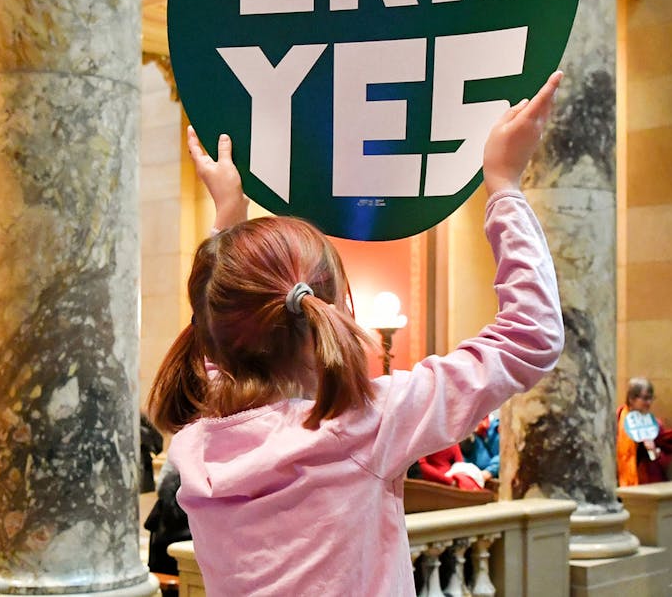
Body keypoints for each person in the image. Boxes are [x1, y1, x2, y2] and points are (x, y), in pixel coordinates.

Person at [148, 72, 567, 595]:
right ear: (322, 309)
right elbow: (531, 337)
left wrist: (228, 225)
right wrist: (503, 187)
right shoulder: (365, 424)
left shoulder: (198, 437)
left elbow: (216, 331)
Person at [616, 376, 672, 486]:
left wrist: (655, 452)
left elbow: (665, 459)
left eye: (651, 398)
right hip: (621, 481)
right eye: (645, 398)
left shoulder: (654, 425)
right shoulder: (617, 419)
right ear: (632, 399)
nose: (649, 402)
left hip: (648, 482)